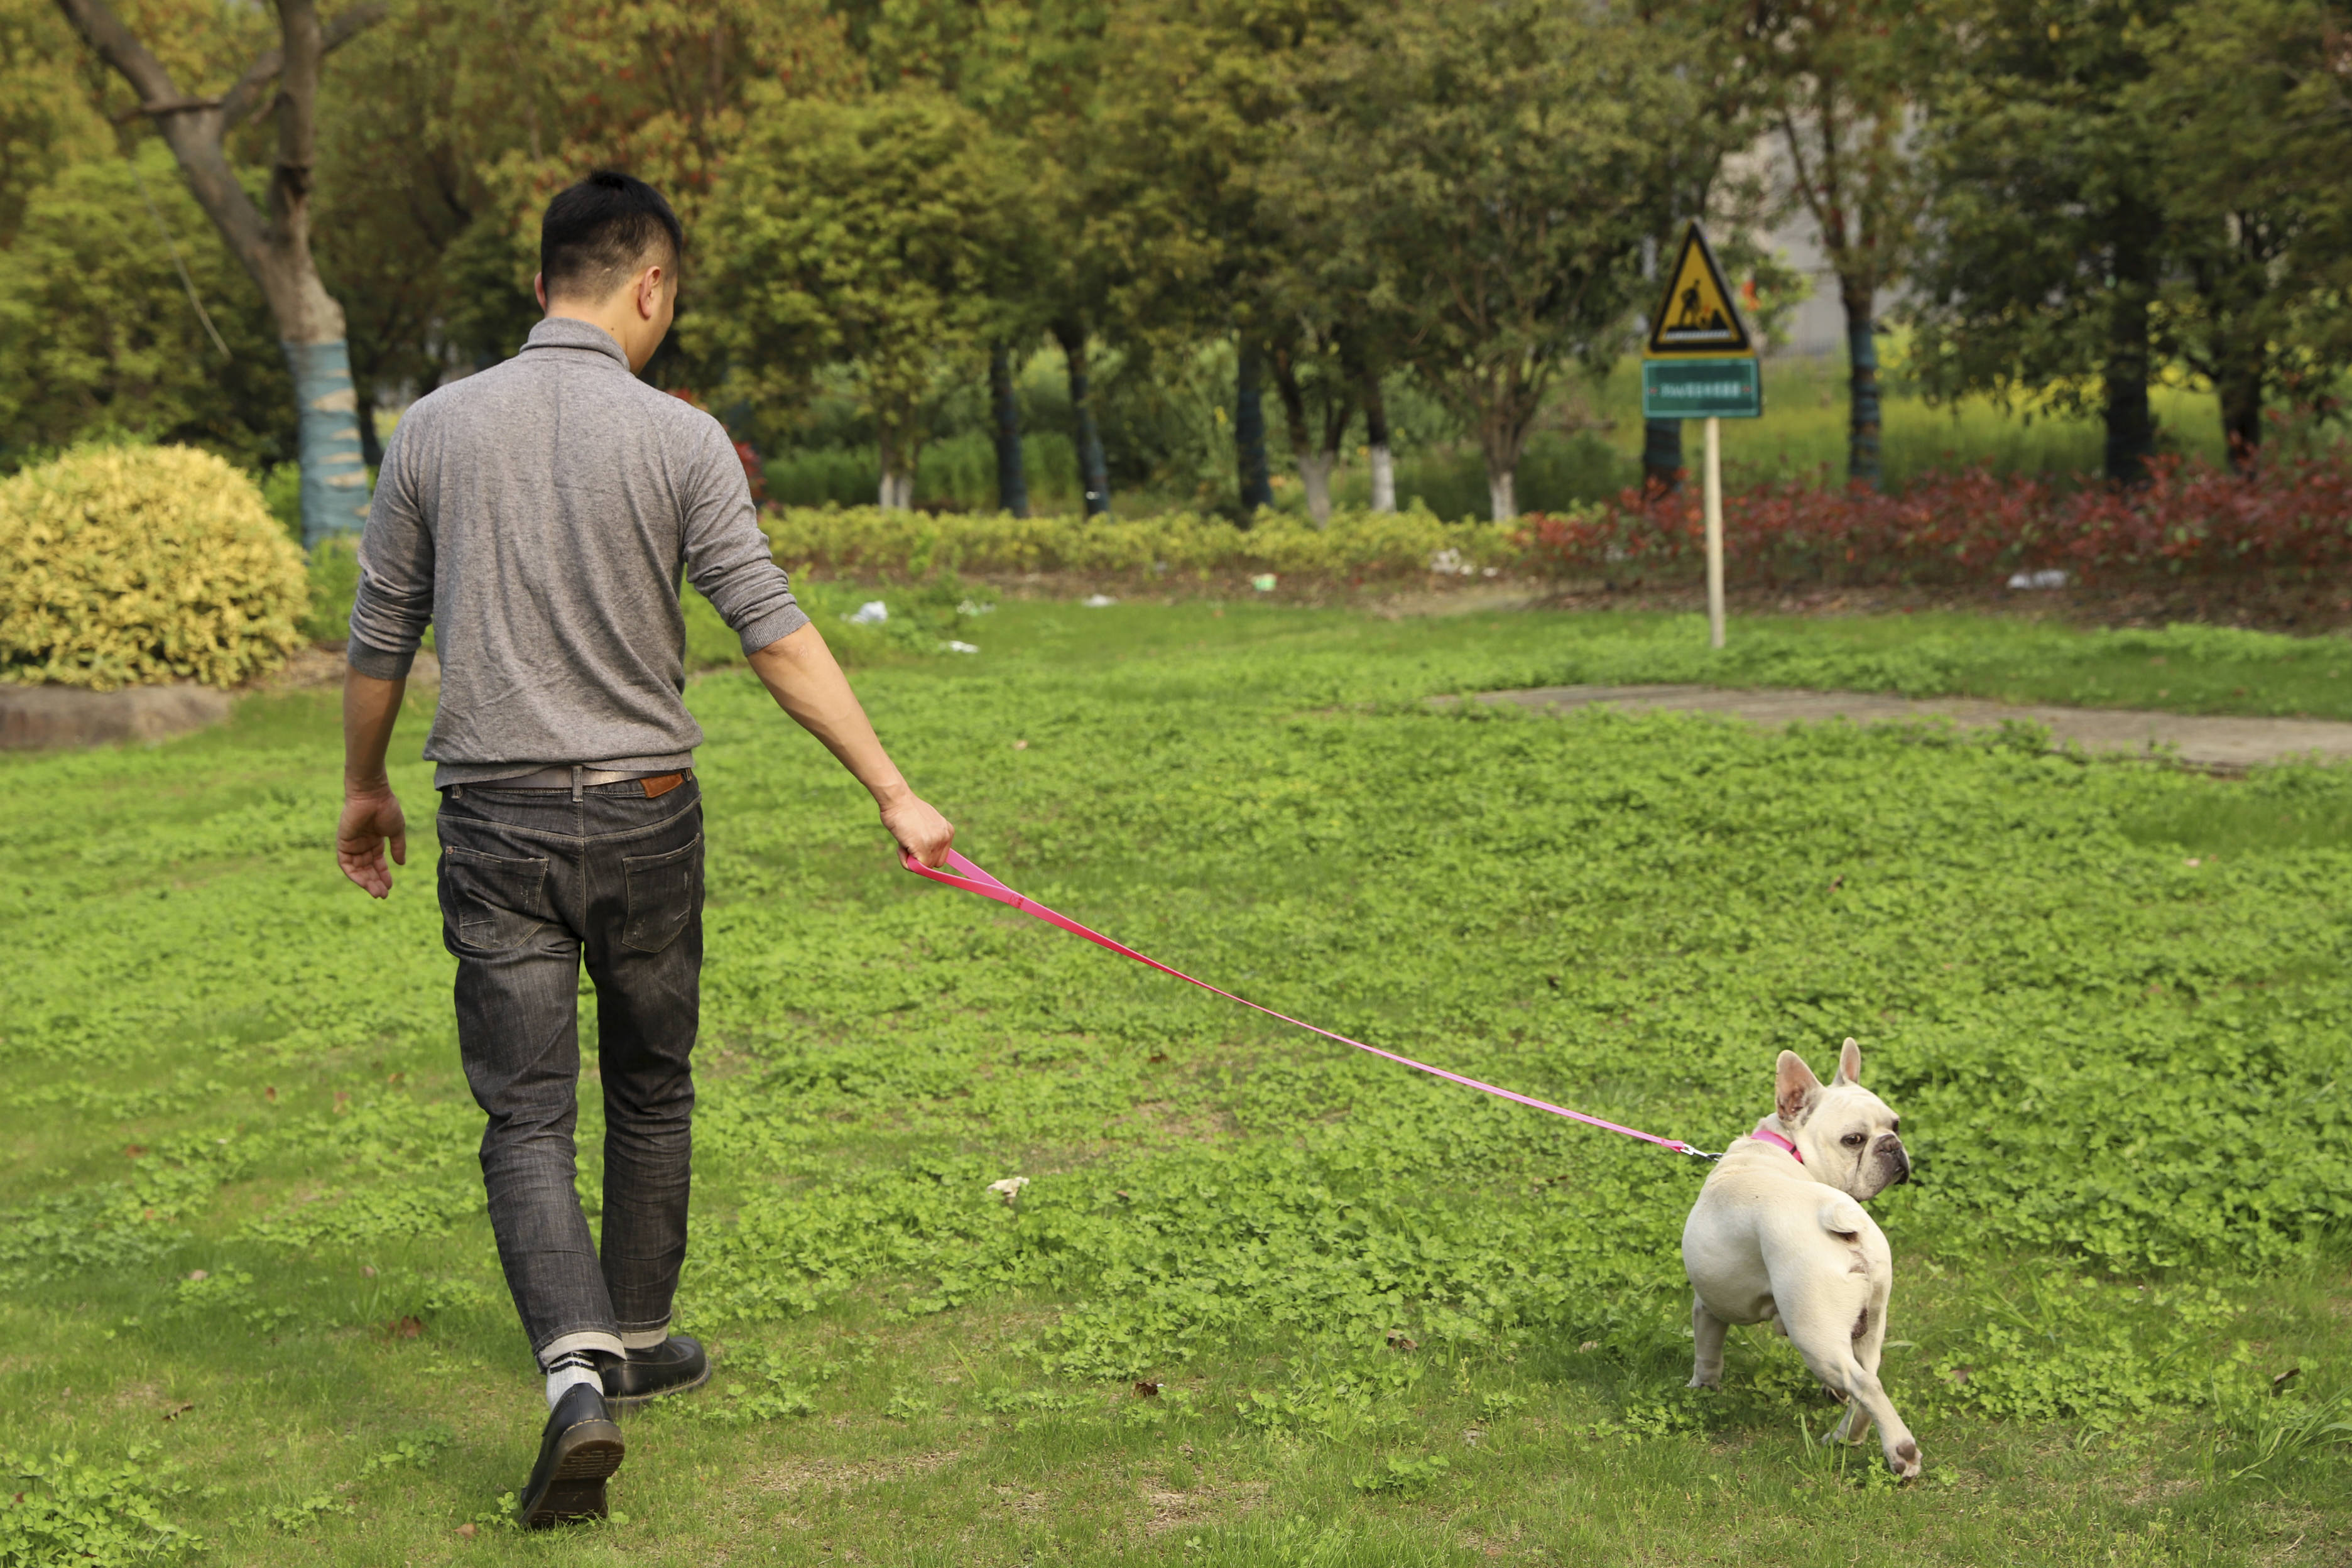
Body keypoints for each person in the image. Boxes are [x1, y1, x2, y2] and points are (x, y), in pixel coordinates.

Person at [334, 170, 954, 1528]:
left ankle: (584, 1369)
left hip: (494, 815)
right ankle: (629, 1334)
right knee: (653, 1082)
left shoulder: (433, 430)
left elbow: (381, 638)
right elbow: (773, 632)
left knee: (526, 1111)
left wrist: (366, 787)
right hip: (646, 805)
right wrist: (894, 794)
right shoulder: (681, 440)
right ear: (651, 286)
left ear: (540, 282)